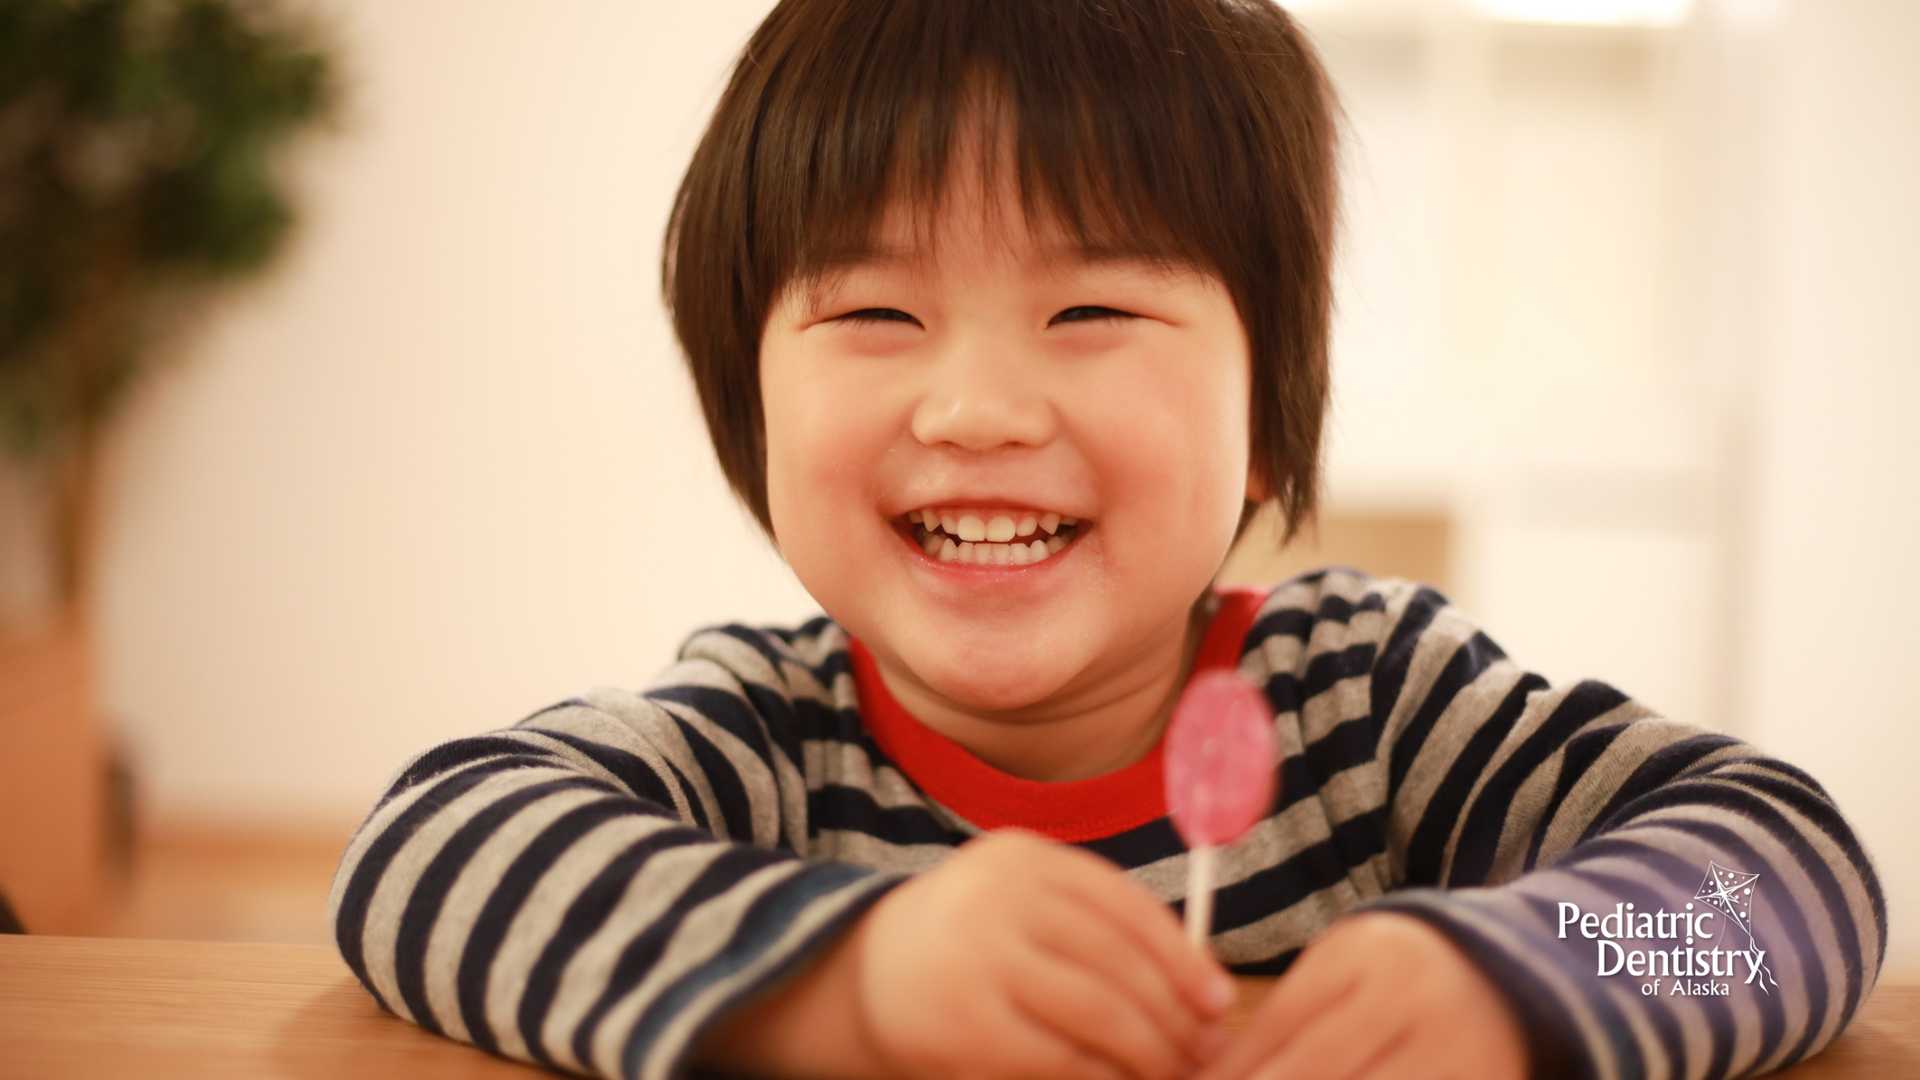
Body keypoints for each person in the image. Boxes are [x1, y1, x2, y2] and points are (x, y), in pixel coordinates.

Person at [327, 1, 1886, 1078]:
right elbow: (424, 857)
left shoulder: (1371, 705)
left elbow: (1793, 887)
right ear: (745, 405)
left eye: (1090, 310)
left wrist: (1521, 987)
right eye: (874, 312)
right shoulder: (763, 740)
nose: (979, 408)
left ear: (1271, 405)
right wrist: (853, 984)